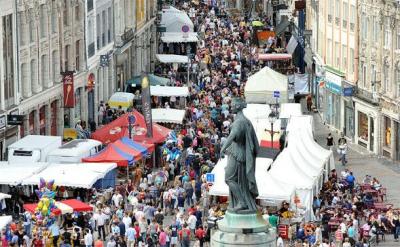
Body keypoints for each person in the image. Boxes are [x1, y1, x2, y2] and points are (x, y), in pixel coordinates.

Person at [220, 97, 259, 213]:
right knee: (235, 179)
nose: (230, 106)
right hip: (238, 153)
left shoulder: (240, 121)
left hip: (237, 153)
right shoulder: (245, 120)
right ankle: (242, 201)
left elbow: (233, 136)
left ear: (237, 106)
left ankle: (242, 202)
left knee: (229, 178)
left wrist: (222, 148)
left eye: (232, 104)